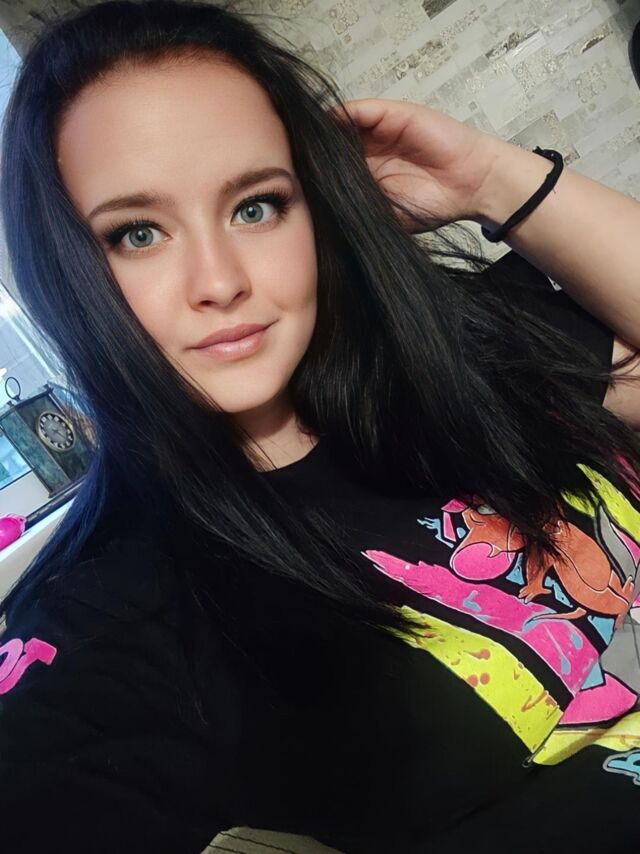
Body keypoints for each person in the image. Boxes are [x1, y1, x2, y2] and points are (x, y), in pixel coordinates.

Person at [1, 1, 640, 852]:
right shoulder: (112, 612)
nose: (220, 281)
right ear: (61, 267)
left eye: (255, 206)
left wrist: (488, 177)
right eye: (138, 233)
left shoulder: (460, 353)